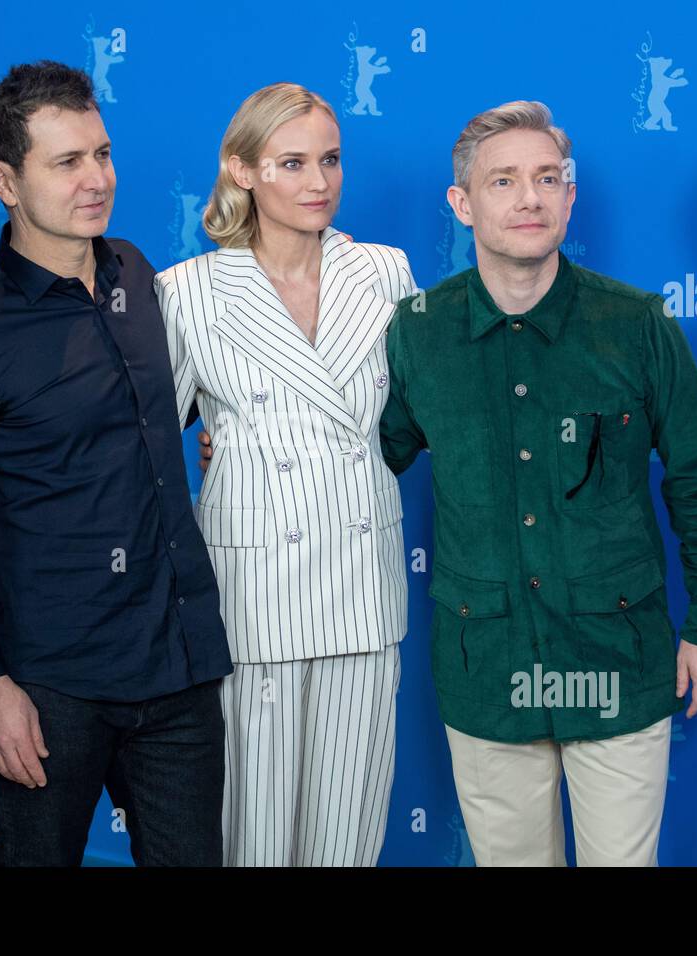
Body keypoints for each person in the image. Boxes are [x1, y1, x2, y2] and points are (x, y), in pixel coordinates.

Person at [379, 100, 697, 865]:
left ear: (571, 196)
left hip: (618, 663)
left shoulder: (637, 324)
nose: (530, 198)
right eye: (503, 180)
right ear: (462, 203)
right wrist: (239, 445)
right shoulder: (417, 330)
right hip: (488, 672)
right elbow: (368, 455)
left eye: (548, 178)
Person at [0, 61, 232, 867]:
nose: (97, 179)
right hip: (49, 684)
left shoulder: (136, 271)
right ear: (4, 182)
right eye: (67, 162)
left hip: (179, 663)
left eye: (102, 153)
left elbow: (163, 413)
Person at [156, 82, 416, 866]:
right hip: (251, 598)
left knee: (349, 833)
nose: (319, 182)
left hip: (365, 590)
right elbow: (145, 443)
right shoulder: (187, 291)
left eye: (331, 160)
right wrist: (221, 443)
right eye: (293, 162)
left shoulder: (387, 273)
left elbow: (423, 417)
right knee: (254, 836)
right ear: (242, 171)